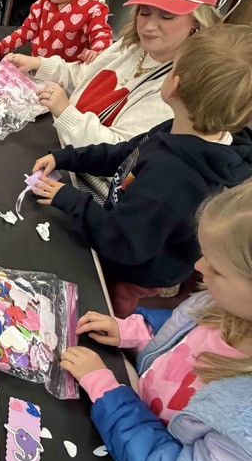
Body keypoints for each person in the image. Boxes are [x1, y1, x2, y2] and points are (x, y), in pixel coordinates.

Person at [60, 180, 252, 461]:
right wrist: (137, 331)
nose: (199, 266)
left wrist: (108, 393)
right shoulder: (224, 305)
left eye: (218, 269)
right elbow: (183, 334)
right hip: (137, 439)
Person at [32, 25, 252, 315]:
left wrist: (68, 198)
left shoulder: (173, 175)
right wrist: (67, 158)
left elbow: (122, 241)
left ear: (175, 84)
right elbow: (125, 153)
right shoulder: (181, 130)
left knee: (99, 308)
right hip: (128, 228)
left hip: (128, 270)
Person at [7, 0, 224, 197]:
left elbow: (121, 155)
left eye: (167, 16)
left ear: (198, 21)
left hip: (87, 184)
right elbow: (85, 76)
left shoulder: (178, 90)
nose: (149, 26)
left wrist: (65, 111)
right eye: (144, 12)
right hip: (60, 146)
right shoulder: (131, 47)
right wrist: (39, 64)